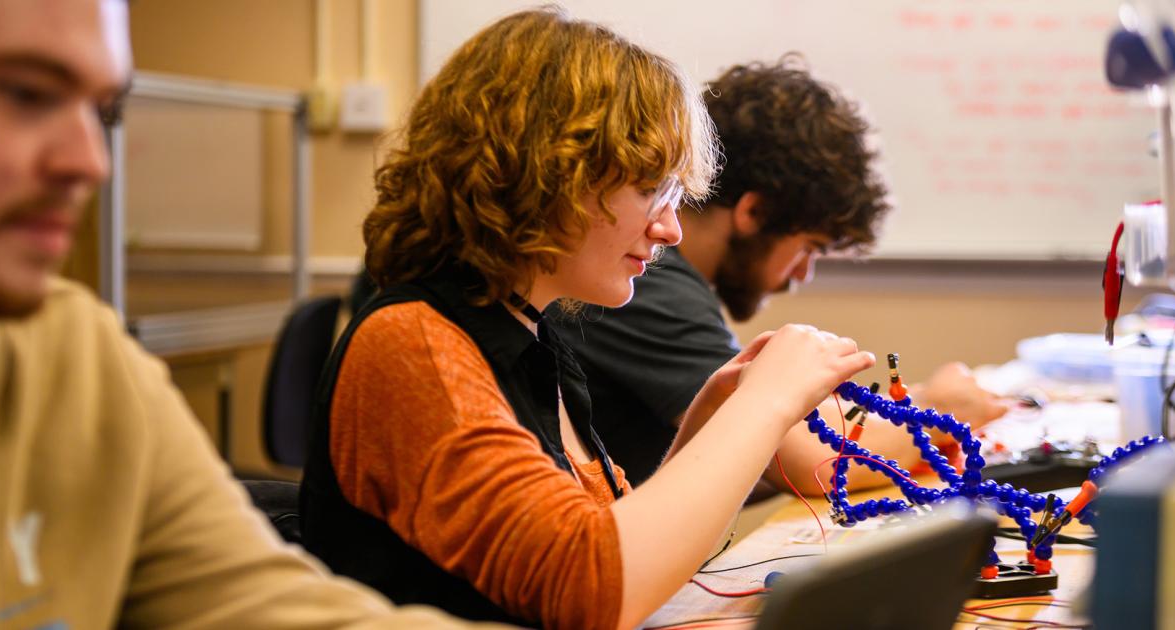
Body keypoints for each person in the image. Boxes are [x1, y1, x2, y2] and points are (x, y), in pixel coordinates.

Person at [299, 8, 875, 630]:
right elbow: (592, 590)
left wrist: (710, 424)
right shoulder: (413, 345)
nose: (670, 229)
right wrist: (762, 408)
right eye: (649, 187)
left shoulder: (535, 335)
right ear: (548, 171)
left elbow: (633, 553)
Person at [0, 1, 497, 627]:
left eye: (106, 113)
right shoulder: (414, 334)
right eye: (26, 93)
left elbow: (271, 610)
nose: (92, 162)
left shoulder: (76, 354)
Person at [548, 57, 1009, 492]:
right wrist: (941, 413)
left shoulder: (663, 278)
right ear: (755, 211)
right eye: (808, 247)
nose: (803, 274)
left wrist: (922, 401)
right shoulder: (646, 282)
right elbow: (810, 461)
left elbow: (786, 427)